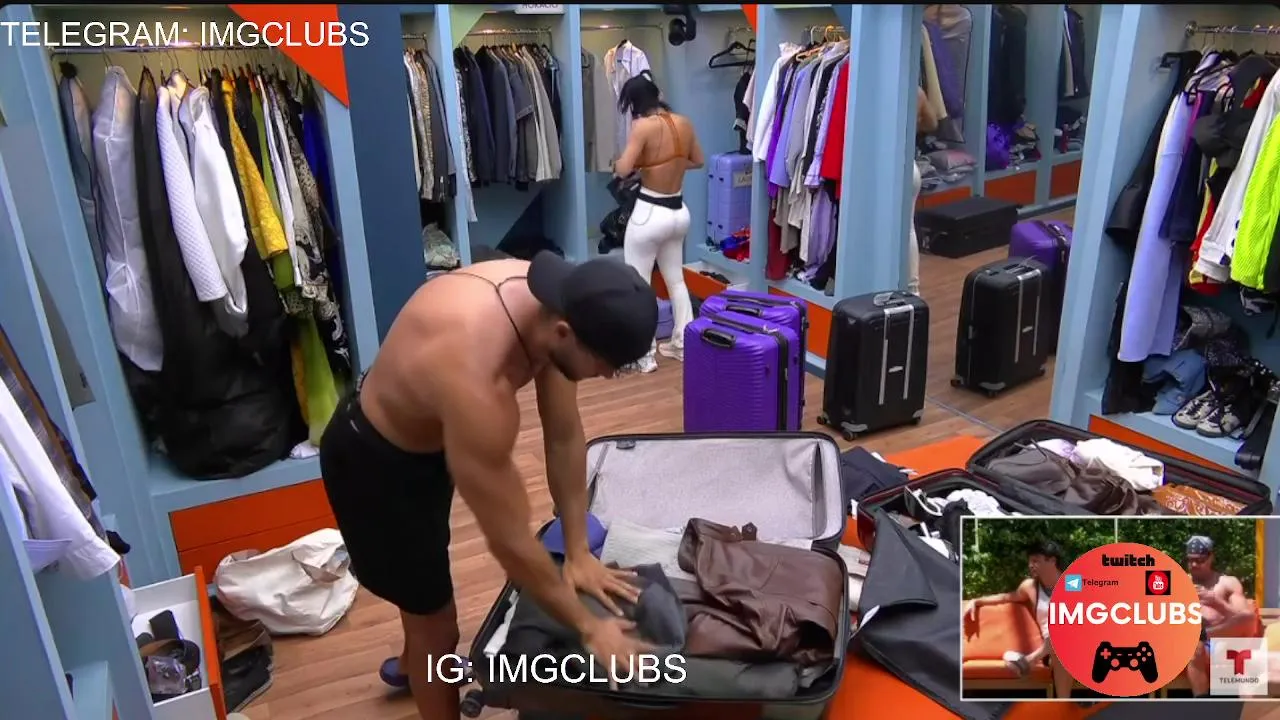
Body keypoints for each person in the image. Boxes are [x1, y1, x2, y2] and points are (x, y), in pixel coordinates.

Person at [318, 251, 660, 719]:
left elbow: (563, 435)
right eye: (605, 366)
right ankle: (426, 660)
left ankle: (417, 662)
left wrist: (578, 550)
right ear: (565, 333)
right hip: (375, 464)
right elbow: (510, 542)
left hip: (427, 434)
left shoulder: (553, 310)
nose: (606, 376)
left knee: (423, 590)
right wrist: (589, 627)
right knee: (438, 627)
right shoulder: (477, 376)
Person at [612, 75, 704, 373]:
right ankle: (684, 344)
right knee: (676, 280)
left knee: (639, 285)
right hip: (678, 212)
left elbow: (623, 169)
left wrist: (628, 164)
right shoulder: (684, 123)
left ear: (634, 105)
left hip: (650, 213)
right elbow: (698, 160)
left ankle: (644, 355)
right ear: (658, 94)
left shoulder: (642, 127)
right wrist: (668, 164)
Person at [963, 540, 1075, 698]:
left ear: (1052, 561)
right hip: (1052, 651)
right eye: (1030, 561)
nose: (1031, 565)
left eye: (1036, 561)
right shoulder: (1030, 587)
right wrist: (976, 601)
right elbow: (1006, 597)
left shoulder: (1072, 582)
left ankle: (1028, 661)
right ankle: (1063, 704)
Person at [1183, 535, 1254, 697]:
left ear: (1211, 557)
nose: (1194, 565)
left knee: (1248, 618)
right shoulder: (1179, 582)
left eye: (1199, 560)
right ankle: (1203, 706)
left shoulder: (1227, 583)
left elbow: (1244, 619)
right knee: (1195, 648)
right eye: (1190, 560)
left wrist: (1216, 601)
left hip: (1223, 639)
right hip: (1191, 642)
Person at [910, 86, 939, 296]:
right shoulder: (916, 91)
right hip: (910, 167)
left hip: (889, 168)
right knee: (908, 229)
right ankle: (913, 288)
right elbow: (932, 123)